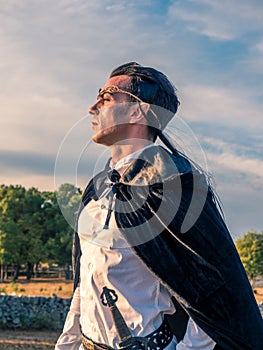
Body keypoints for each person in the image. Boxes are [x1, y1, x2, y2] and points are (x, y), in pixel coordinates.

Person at [55, 62, 263, 350]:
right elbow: (86, 279)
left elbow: (218, 292)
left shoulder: (175, 186)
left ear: (137, 110)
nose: (93, 108)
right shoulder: (97, 189)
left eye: (106, 98)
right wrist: (67, 343)